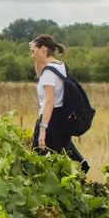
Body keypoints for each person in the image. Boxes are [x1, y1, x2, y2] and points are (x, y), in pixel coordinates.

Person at [29, 34, 90, 172]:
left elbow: (49, 101)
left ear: (43, 49)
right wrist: (38, 60)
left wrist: (43, 130)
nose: (32, 55)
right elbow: (40, 75)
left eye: (34, 51)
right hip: (60, 120)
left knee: (39, 166)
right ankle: (80, 169)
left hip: (50, 121)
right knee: (60, 158)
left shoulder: (49, 73)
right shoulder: (59, 66)